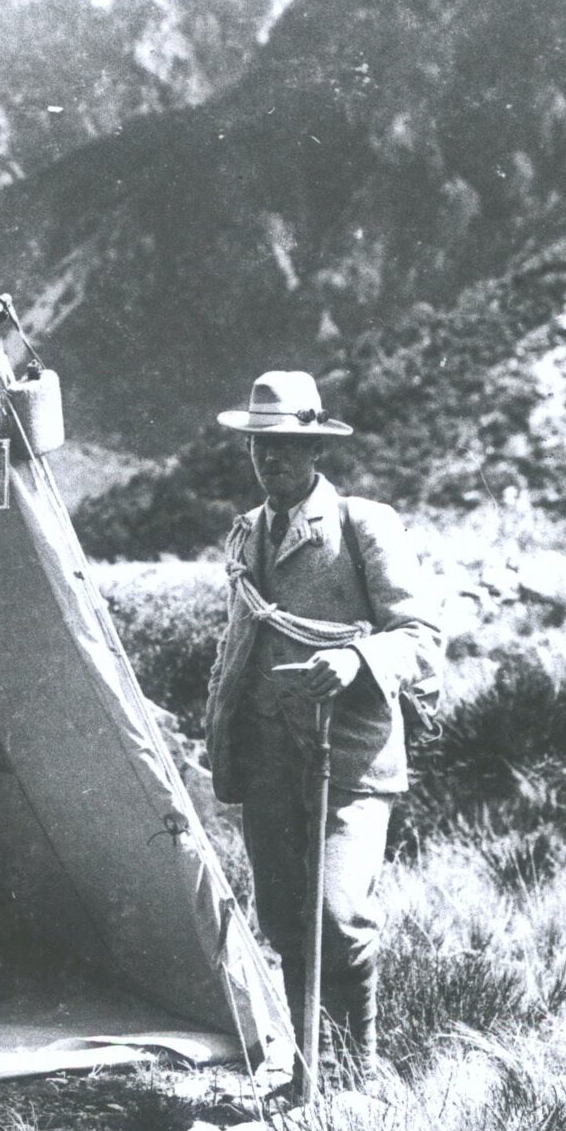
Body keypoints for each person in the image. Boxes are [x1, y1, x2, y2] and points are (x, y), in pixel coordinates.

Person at [203, 370, 441, 1079]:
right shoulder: (246, 533)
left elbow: (422, 636)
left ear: (315, 450)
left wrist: (356, 659)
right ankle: (311, 1075)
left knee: (337, 917)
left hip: (349, 754)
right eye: (260, 444)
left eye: (286, 444)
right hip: (268, 756)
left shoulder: (363, 525)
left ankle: (357, 1075)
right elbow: (240, 642)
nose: (271, 457)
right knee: (284, 921)